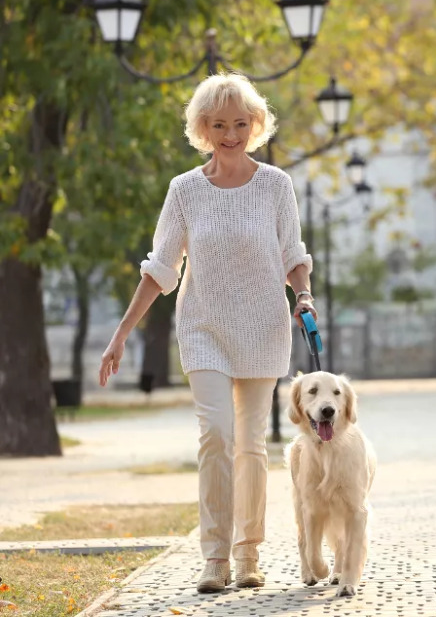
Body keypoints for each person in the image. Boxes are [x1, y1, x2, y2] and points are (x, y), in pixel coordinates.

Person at [99, 73, 316, 593]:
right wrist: (121, 333)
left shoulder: (276, 185)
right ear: (202, 128)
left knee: (250, 445)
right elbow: (160, 268)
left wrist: (304, 295)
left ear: (255, 124)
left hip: (264, 325)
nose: (231, 133)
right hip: (203, 328)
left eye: (241, 123)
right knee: (216, 435)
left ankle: (248, 554)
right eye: (219, 124)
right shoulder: (185, 191)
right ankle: (214, 557)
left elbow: (293, 255)